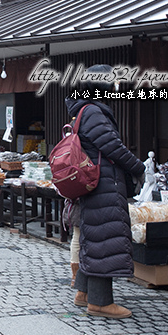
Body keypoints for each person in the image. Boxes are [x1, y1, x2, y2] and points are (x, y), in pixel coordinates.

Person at [67, 64, 144, 319]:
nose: (116, 87)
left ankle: (83, 292)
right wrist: (137, 166)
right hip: (103, 184)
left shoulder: (85, 109)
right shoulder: (94, 112)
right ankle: (100, 303)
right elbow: (113, 146)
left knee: (94, 238)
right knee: (104, 239)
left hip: (95, 182)